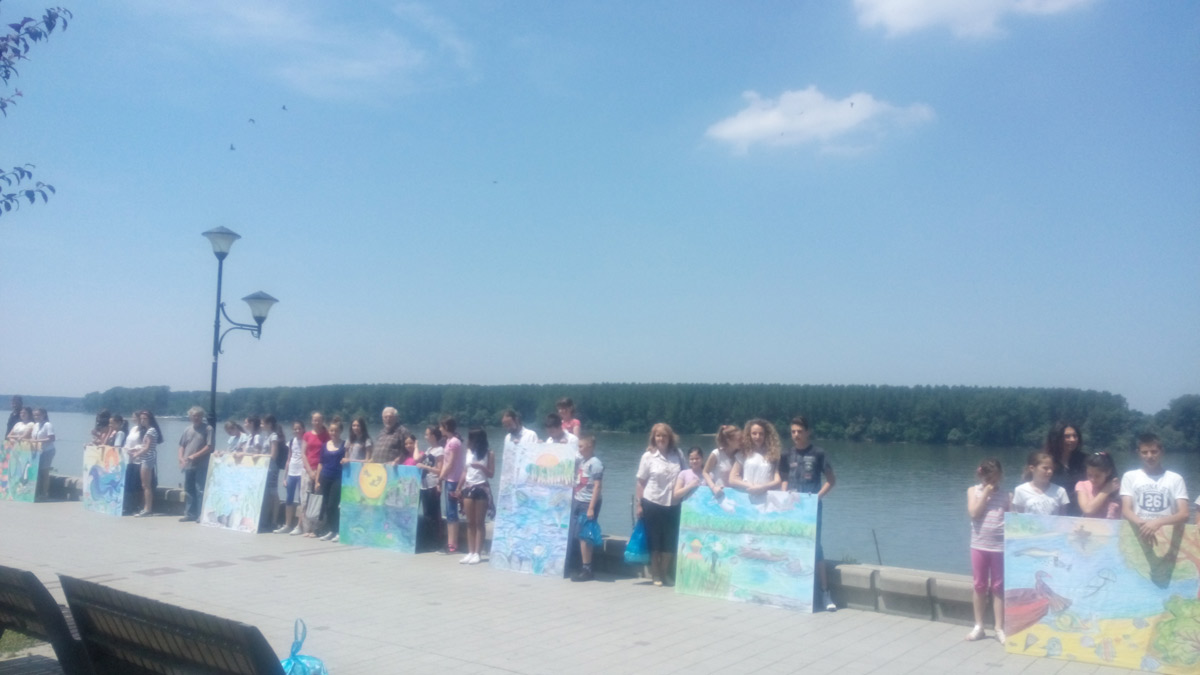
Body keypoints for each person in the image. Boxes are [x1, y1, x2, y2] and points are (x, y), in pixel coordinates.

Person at [780, 416, 838, 611]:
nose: (796, 435)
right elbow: (784, 479)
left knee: (815, 547)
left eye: (799, 431)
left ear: (807, 432)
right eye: (793, 432)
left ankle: (825, 593)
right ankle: (792, 590)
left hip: (812, 508)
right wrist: (784, 495)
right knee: (791, 544)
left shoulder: (818, 453)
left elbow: (831, 481)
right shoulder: (786, 454)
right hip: (792, 508)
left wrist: (817, 498)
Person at [635, 422, 683, 587]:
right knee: (654, 541)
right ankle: (655, 573)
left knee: (670, 541)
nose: (661, 438)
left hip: (673, 503)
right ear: (653, 438)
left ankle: (664, 573)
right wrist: (639, 504)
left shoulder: (678, 454)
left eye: (664, 435)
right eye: (658, 435)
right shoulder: (648, 456)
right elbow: (641, 482)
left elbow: (686, 475)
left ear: (670, 437)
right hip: (652, 502)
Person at [1120, 433, 1189, 545]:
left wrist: (1157, 523)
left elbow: (1184, 514)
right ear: (1138, 453)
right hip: (1139, 533)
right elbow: (1126, 510)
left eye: (1154, 451)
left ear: (1162, 452)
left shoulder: (1176, 479)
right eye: (1144, 452)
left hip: (1167, 537)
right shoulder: (1129, 477)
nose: (1149, 456)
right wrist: (1143, 524)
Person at [966, 459, 1008, 643]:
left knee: (998, 586)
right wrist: (985, 494)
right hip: (979, 545)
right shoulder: (973, 491)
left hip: (1000, 547)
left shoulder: (1007, 496)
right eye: (988, 479)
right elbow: (974, 513)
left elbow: (1013, 519)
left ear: (1000, 476)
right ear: (980, 476)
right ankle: (979, 626)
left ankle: (999, 627)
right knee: (979, 585)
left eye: (995, 478)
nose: (991, 482)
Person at [456, 427, 494, 565]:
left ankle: (478, 552)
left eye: (471, 438)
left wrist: (481, 467)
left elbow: (491, 474)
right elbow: (465, 471)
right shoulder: (468, 452)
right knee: (469, 522)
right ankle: (470, 552)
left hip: (481, 487)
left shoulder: (489, 453)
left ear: (478, 440)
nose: (468, 441)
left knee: (479, 522)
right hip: (468, 487)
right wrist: (458, 487)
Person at [569, 435, 604, 582]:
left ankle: (587, 569)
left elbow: (597, 486)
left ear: (590, 447)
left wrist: (591, 507)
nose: (579, 449)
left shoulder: (595, 463)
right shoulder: (582, 461)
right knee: (577, 534)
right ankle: (578, 564)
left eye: (581, 446)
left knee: (585, 536)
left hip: (588, 502)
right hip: (578, 500)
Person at [729, 418, 782, 500]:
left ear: (766, 435)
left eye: (761, 434)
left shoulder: (773, 455)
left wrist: (762, 487)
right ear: (749, 435)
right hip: (747, 497)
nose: (758, 436)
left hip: (766, 498)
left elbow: (778, 481)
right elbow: (732, 480)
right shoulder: (743, 453)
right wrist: (751, 486)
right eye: (754, 433)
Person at [176, 406, 213, 523]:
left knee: (200, 490)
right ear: (190, 417)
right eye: (193, 416)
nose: (196, 418)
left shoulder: (208, 429)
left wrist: (195, 455)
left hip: (201, 465)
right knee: (189, 490)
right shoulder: (187, 429)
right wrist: (180, 458)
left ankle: (201, 515)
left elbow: (209, 447)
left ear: (202, 417)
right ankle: (190, 514)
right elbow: (182, 445)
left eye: (198, 416)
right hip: (188, 465)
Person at [313, 420, 347, 542]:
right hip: (325, 477)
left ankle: (338, 531)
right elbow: (320, 463)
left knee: (334, 504)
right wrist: (317, 480)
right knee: (327, 505)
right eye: (331, 430)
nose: (333, 433)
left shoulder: (344, 445)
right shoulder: (325, 445)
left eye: (336, 430)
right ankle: (331, 530)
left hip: (338, 478)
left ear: (341, 431)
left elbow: (348, 459)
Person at [1045, 422, 1087, 515]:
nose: (1072, 439)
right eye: (1067, 436)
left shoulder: (1085, 460)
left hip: (1079, 513)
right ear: (1056, 439)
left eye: (1075, 436)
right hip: (1052, 513)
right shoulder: (1045, 461)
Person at [438, 415, 464, 555]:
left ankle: (453, 544)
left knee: (452, 512)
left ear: (447, 427)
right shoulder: (448, 441)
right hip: (449, 479)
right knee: (448, 512)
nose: (439, 429)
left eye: (441, 426)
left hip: (453, 480)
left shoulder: (454, 442)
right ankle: (450, 542)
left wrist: (440, 477)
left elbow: (451, 463)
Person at [416, 425, 445, 550]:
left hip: (432, 485)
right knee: (426, 513)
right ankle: (428, 539)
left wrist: (425, 467)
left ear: (433, 436)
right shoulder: (429, 449)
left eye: (427, 434)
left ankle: (436, 541)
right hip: (424, 485)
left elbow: (439, 470)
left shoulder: (440, 450)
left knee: (433, 514)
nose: (425, 437)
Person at [128, 410, 162, 517]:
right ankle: (146, 507)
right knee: (145, 485)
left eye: (145, 419)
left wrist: (136, 455)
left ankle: (147, 508)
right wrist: (135, 450)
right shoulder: (147, 430)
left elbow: (147, 448)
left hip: (147, 459)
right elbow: (144, 446)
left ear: (150, 419)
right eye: (141, 418)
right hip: (145, 458)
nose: (142, 420)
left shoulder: (151, 431)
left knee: (146, 485)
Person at [301, 412, 330, 535]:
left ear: (322, 421)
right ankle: (306, 528)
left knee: (318, 500)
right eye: (314, 420)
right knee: (305, 499)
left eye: (319, 420)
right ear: (311, 421)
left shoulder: (327, 435)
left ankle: (316, 528)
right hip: (308, 470)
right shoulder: (307, 435)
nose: (316, 422)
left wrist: (317, 473)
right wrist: (309, 471)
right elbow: (303, 454)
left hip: (321, 471)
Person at [279, 421, 307, 535]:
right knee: (289, 499)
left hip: (301, 473)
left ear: (303, 429)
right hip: (291, 472)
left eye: (299, 428)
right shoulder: (291, 442)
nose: (297, 431)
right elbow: (288, 459)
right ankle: (287, 524)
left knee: (301, 499)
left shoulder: (306, 441)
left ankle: (299, 526)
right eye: (295, 429)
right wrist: (284, 477)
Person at [260, 414, 286, 532]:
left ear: (269, 424)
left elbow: (273, 455)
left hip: (272, 469)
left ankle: (274, 521)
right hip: (265, 468)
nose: (261, 425)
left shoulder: (273, 436)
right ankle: (266, 519)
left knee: (273, 493)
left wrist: (260, 456)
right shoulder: (267, 436)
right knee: (267, 494)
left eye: (263, 423)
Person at [1076, 452, 1121, 519]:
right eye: (1089, 475)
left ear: (1108, 472)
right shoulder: (1082, 485)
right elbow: (1088, 510)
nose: (1092, 479)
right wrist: (1106, 490)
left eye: (1097, 476)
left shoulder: (1118, 488)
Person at [702, 425, 741, 498]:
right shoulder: (716, 454)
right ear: (729, 441)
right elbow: (705, 472)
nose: (742, 441)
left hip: (736, 495)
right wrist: (713, 487)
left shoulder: (740, 455)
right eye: (739, 439)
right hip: (720, 493)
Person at [31, 408, 55, 500]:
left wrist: (38, 441)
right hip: (37, 451)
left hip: (47, 451)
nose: (36, 417)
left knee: (44, 472)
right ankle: (36, 492)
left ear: (44, 415)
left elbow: (52, 438)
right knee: (36, 472)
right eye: (34, 415)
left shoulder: (48, 425)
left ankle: (44, 493)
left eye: (38, 415)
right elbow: (33, 437)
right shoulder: (36, 425)